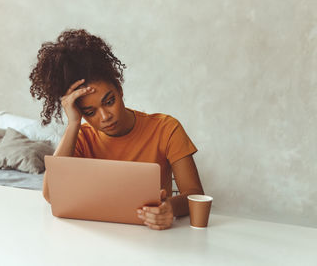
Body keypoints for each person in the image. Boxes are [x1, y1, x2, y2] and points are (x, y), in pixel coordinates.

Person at [29, 29, 204, 230]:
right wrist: (73, 124)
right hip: (99, 235)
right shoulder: (81, 137)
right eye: (90, 111)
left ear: (120, 89)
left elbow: (195, 193)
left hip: (150, 235)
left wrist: (169, 208)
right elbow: (51, 195)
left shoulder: (166, 128)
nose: (105, 117)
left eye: (109, 101)